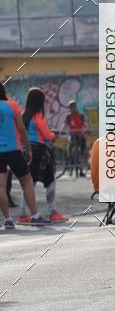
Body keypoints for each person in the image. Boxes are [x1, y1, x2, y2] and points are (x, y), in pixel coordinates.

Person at [19, 87, 67, 224]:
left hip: (26, 151)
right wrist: (53, 134)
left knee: (28, 184)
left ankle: (23, 215)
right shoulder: (38, 116)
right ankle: (52, 212)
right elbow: (47, 135)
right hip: (40, 152)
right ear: (39, 102)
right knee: (50, 182)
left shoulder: (23, 116)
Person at [0, 81, 44, 229]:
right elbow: (21, 129)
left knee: (1, 186)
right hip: (13, 150)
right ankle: (35, 216)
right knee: (26, 181)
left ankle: (7, 220)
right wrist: (28, 149)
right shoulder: (12, 105)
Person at [64, 100, 88, 177]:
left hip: (80, 136)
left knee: (81, 153)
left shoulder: (81, 116)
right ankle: (70, 158)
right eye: (71, 107)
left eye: (73, 107)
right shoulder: (68, 116)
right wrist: (61, 132)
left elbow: (85, 124)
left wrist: (86, 130)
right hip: (72, 136)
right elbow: (65, 125)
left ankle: (80, 170)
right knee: (69, 148)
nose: (72, 109)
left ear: (76, 107)